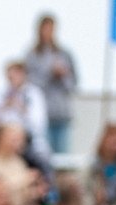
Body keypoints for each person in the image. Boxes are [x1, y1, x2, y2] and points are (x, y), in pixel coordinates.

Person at [24, 14, 77, 157]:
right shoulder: (32, 55)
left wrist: (63, 75)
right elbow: (31, 86)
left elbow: (73, 85)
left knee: (63, 157)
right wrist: (50, 74)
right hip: (42, 115)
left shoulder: (64, 54)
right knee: (44, 155)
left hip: (62, 113)